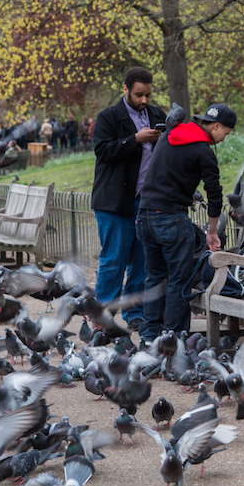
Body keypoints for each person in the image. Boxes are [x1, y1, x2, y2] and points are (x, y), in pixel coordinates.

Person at [137, 102, 235, 343]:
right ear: (216, 125)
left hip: (144, 216)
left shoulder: (170, 134)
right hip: (171, 219)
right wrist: (212, 231)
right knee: (178, 281)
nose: (224, 139)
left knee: (155, 277)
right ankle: (173, 342)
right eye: (226, 133)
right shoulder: (203, 151)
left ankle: (148, 338)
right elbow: (214, 193)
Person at [91, 67, 165, 331]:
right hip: (114, 202)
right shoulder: (109, 117)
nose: (144, 100)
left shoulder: (157, 115)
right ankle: (104, 316)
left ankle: (135, 313)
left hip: (146, 202)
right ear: (125, 89)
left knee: (142, 260)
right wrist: (134, 139)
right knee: (114, 259)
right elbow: (102, 151)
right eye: (138, 95)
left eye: (147, 94)